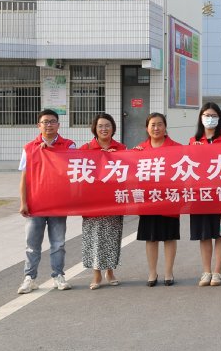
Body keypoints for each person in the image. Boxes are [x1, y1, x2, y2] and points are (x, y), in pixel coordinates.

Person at [17, 109, 77, 294]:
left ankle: (58, 275)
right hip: (36, 204)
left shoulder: (69, 145)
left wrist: (52, 152)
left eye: (52, 121)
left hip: (58, 204)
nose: (49, 125)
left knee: (58, 243)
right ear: (39, 125)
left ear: (58, 125)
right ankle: (29, 278)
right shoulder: (29, 148)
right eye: (45, 122)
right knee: (32, 244)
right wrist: (23, 202)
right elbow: (24, 178)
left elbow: (72, 169)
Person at [189, 102, 221, 287]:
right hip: (201, 194)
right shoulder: (193, 141)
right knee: (204, 234)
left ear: (219, 119)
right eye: (206, 115)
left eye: (213, 116)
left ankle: (217, 271)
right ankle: (206, 271)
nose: (210, 119)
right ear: (201, 118)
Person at [133, 113, 181, 287]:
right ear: (147, 128)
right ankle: (152, 272)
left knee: (169, 237)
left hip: (169, 198)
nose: (156, 128)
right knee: (151, 238)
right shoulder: (139, 150)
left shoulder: (176, 148)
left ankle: (169, 272)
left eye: (160, 124)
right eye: (152, 125)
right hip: (148, 199)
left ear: (165, 126)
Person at [80, 113, 126, 290]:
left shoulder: (121, 148)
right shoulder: (86, 148)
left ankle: (110, 271)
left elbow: (129, 171)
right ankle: (96, 274)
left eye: (107, 125)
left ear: (113, 128)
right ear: (95, 129)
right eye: (100, 126)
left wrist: (116, 157)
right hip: (92, 202)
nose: (104, 129)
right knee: (94, 238)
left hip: (114, 200)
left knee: (112, 237)